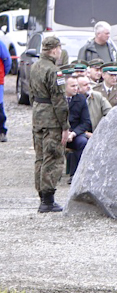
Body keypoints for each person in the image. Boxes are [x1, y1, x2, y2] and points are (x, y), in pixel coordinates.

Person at [29, 36, 69, 212]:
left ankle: (42, 196)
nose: (60, 52)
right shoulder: (54, 71)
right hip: (52, 119)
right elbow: (59, 101)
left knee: (40, 157)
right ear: (54, 50)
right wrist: (65, 126)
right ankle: (48, 200)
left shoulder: (35, 67)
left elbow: (31, 94)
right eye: (59, 48)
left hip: (38, 116)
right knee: (53, 157)